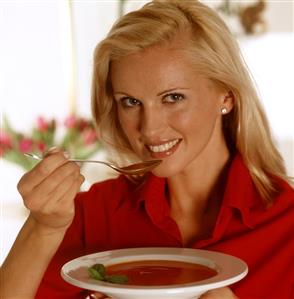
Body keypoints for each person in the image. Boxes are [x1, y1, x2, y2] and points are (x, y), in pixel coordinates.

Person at [1, 1, 293, 298]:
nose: (149, 129)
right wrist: (43, 228)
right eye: (130, 102)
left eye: (173, 97)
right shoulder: (91, 216)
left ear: (227, 96)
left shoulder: (287, 224)